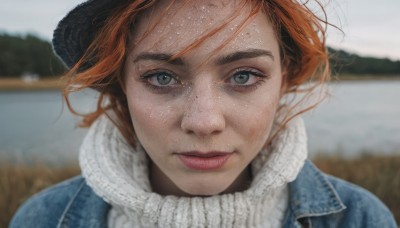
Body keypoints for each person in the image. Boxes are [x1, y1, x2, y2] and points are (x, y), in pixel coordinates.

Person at [11, 0, 397, 227]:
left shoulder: (358, 218)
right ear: (121, 86)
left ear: (285, 80)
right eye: (162, 77)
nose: (205, 121)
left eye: (243, 75)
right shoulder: (44, 218)